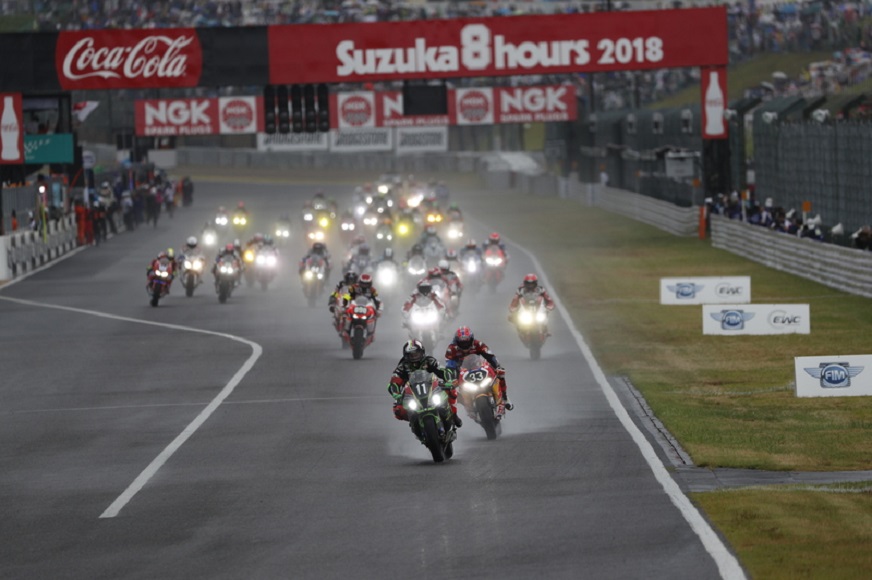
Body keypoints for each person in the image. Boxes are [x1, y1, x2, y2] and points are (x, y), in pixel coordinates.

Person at [387, 339, 462, 434]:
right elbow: (394, 380)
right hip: (412, 393)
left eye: (416, 354)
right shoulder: (402, 366)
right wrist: (396, 393)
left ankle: (454, 415)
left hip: (432, 388)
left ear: (422, 352)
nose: (414, 357)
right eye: (411, 355)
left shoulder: (429, 360)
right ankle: (414, 423)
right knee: (398, 409)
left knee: (451, 391)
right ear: (406, 356)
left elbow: (442, 370)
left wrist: (449, 380)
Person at [445, 326, 513, 411]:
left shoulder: (478, 344)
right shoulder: (451, 349)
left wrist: (497, 366)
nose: (465, 346)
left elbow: (491, 357)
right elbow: (449, 366)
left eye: (467, 342)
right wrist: (451, 379)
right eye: (462, 343)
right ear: (456, 342)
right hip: (462, 370)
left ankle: (504, 397)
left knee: (500, 373)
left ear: (472, 340)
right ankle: (463, 406)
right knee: (449, 388)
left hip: (478, 366)